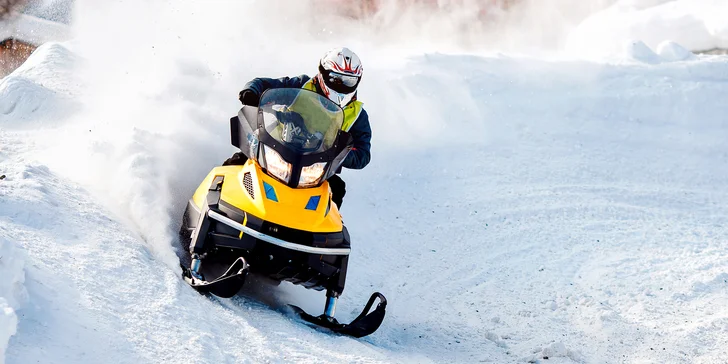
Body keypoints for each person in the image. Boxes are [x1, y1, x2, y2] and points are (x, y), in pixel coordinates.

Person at [223, 47, 372, 209]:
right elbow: (264, 84)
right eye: (336, 79)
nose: (342, 85)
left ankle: (328, 229)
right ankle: (211, 202)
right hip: (273, 151)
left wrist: (339, 152)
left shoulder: (358, 115)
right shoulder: (301, 86)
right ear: (323, 73)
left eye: (349, 81)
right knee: (237, 163)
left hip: (317, 167)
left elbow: (363, 153)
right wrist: (251, 92)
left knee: (336, 189)